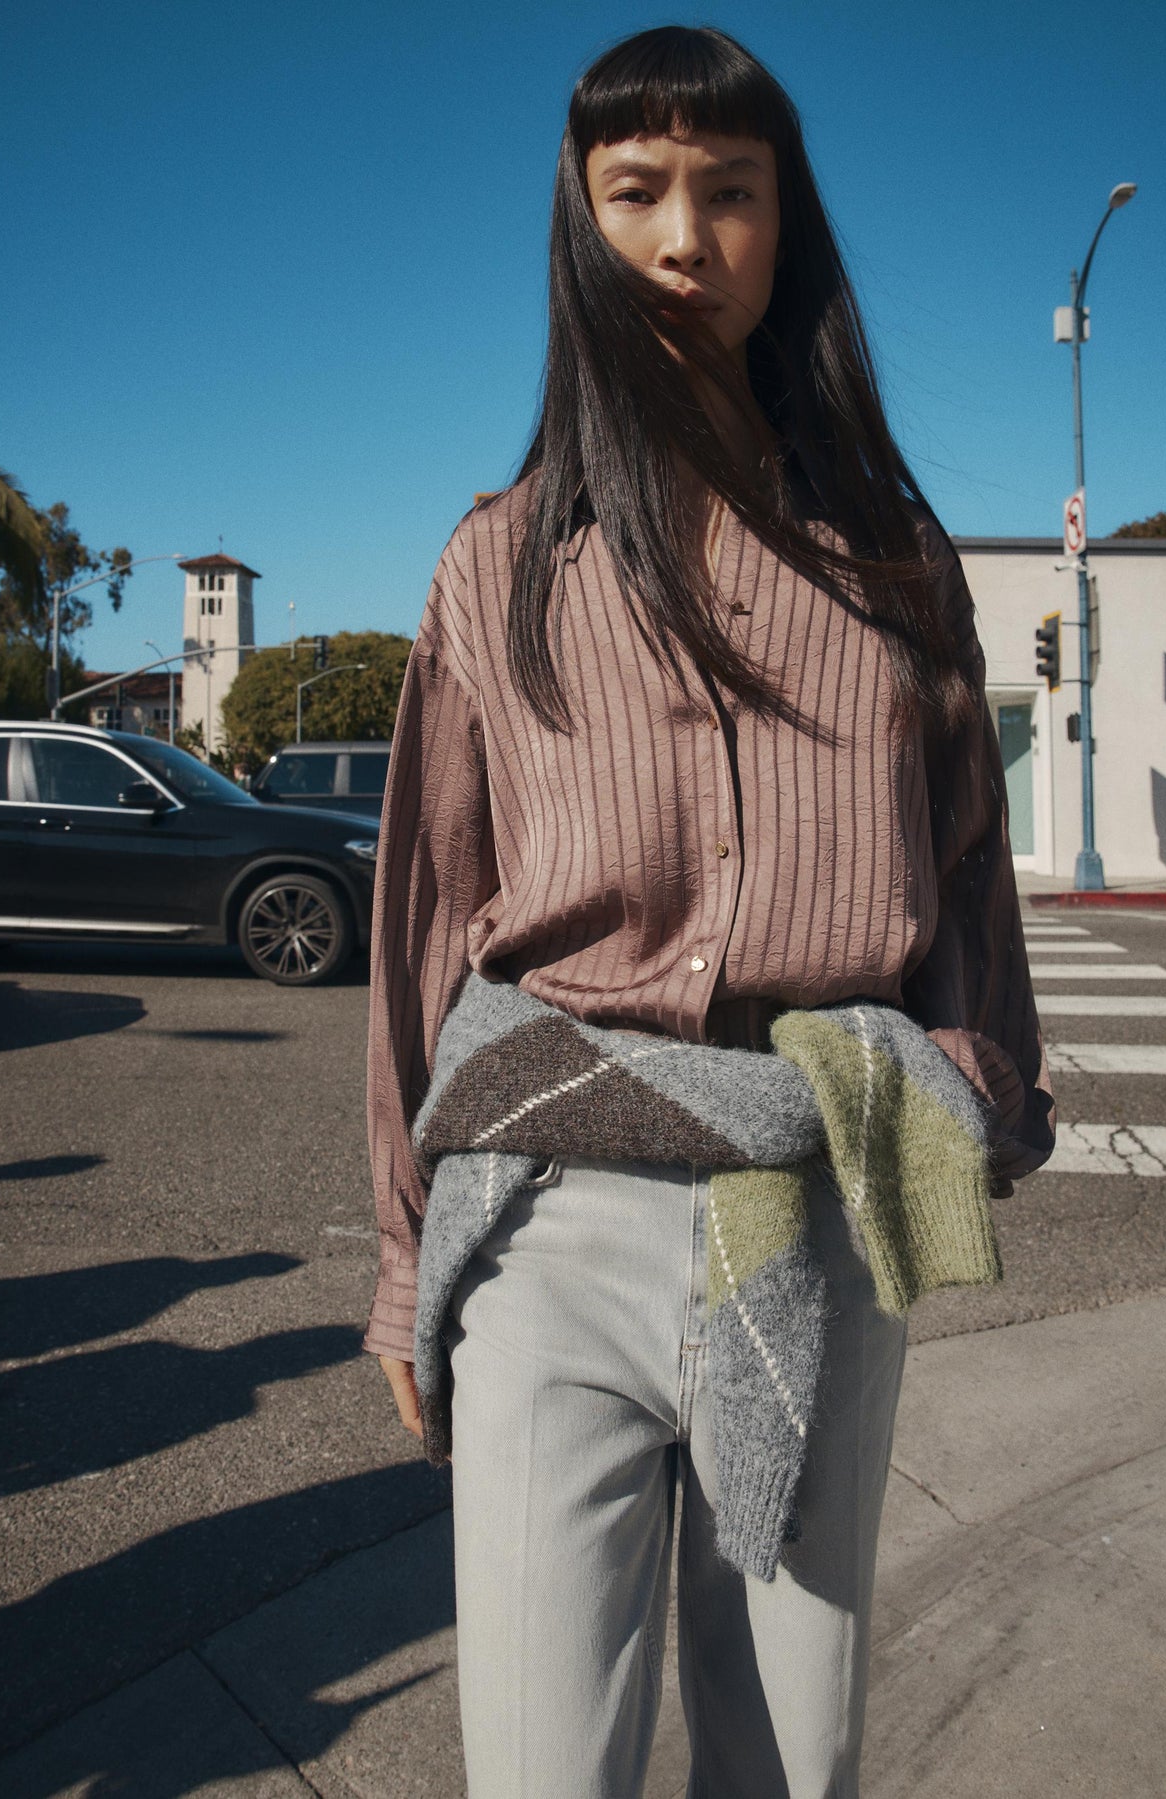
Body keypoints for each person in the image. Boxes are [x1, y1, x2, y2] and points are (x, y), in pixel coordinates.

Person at [364, 24, 1054, 1798]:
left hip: (817, 1205)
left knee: (789, 1760)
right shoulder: (503, 557)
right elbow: (422, 933)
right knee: (541, 1767)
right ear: (582, 226)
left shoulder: (891, 560)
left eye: (731, 192)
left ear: (785, 224)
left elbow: (969, 868)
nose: (686, 240)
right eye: (637, 192)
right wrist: (397, 1269)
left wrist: (980, 1088)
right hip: (548, 1216)